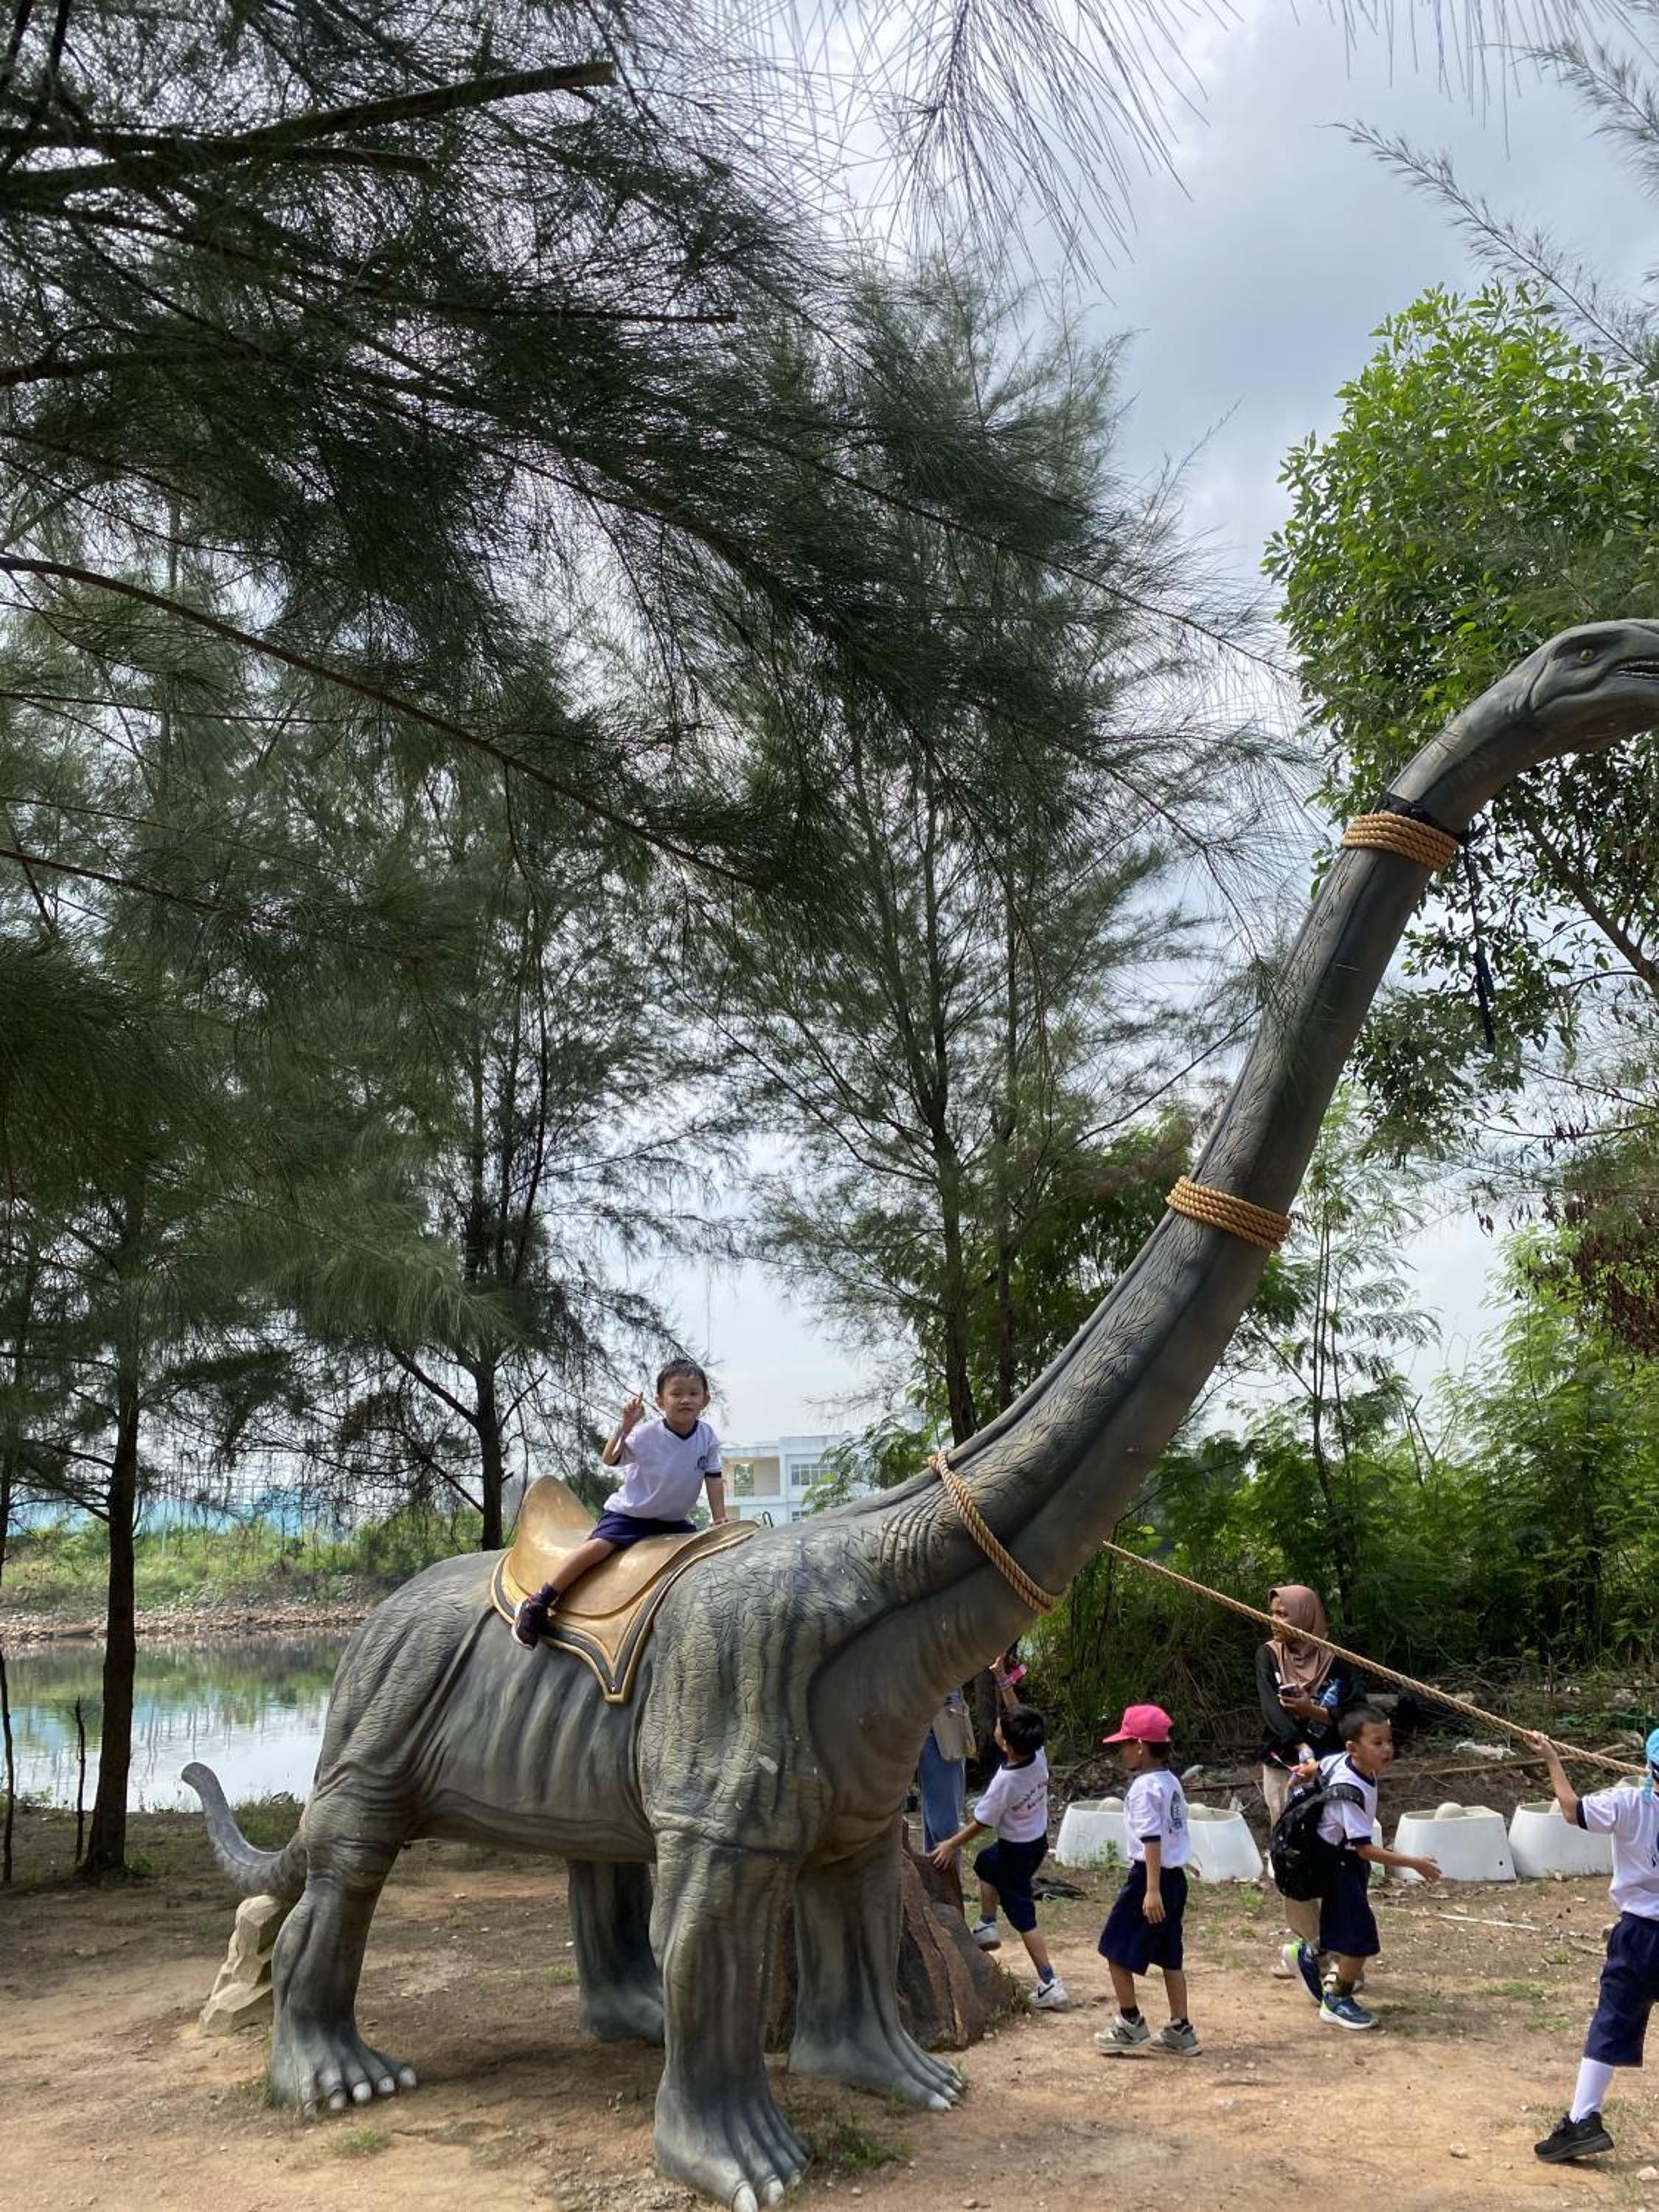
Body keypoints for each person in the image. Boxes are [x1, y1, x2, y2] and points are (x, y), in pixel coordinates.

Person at [512, 1360, 725, 1647]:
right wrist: (625, 1426)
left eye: (693, 1393)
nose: (685, 1400)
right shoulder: (647, 1434)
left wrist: (720, 1518)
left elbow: (714, 1478)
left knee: (701, 1555)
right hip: (631, 1516)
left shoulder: (707, 1436)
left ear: (705, 1400)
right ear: (660, 1401)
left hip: (673, 1521)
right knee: (598, 1548)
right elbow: (609, 1458)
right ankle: (538, 1602)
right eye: (676, 1394)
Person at [1528, 1728, 1659, 2165]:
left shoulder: (1627, 1803)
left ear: (1648, 1765)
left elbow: (1571, 1810)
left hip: (1639, 1934)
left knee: (1611, 2024)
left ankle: (1583, 2120)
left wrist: (1551, 1758)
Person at [1281, 1703, 1441, 2031]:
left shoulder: (1344, 1761)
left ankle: (1309, 1952)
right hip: (1341, 1861)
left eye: (1389, 1741)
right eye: (1377, 1743)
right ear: (1354, 1748)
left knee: (1345, 1922)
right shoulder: (1350, 1791)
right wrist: (1414, 1863)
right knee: (1360, 1939)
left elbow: (1321, 1764)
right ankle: (1337, 2000)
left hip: (1341, 1859)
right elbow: (1365, 1849)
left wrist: (1308, 1770)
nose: (1387, 1749)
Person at [931, 1703, 1069, 2010]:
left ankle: (1049, 1981)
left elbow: (982, 1823)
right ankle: (987, 1923)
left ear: (1005, 1743)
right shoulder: (1038, 1756)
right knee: (985, 1862)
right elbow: (1019, 1713)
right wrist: (1005, 1683)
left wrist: (951, 1844)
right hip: (1036, 1844)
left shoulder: (1005, 1782)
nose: (996, 1726)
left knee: (1023, 1917)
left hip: (1015, 1852)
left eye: (998, 1726)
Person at [1258, 1584, 1354, 1974]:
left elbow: (1354, 1715)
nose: (1275, 1621)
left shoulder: (1338, 1662)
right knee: (1290, 1853)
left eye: (1284, 1614)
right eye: (1273, 1613)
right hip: (1285, 1766)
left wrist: (1311, 1711)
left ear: (1305, 1616)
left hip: (1330, 1768)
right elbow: (1271, 1709)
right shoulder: (1269, 1655)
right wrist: (1298, 1746)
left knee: (1331, 1853)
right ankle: (1310, 1948)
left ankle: (1342, 1952)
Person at [1093, 1702, 1200, 2056]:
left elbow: (1151, 1838)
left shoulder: (1143, 1787)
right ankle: (1181, 2028)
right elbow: (1174, 1829)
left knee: (1113, 1948)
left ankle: (1130, 2022)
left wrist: (1151, 1889)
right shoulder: (1170, 1781)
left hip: (1149, 1878)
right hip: (1174, 1878)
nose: (1121, 1752)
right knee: (1171, 1955)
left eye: (1125, 1744)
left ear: (1140, 1746)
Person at [917, 1689, 975, 1857]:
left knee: (943, 1827)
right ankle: (935, 1871)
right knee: (934, 1820)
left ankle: (945, 1872)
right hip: (926, 1720)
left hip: (941, 1723)